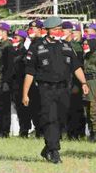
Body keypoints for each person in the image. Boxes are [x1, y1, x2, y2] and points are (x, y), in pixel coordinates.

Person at [22, 17, 89, 164]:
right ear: (47, 31)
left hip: (64, 89)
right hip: (45, 89)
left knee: (61, 119)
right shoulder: (36, 47)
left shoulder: (66, 46)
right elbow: (30, 72)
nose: (58, 32)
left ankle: (48, 149)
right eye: (55, 29)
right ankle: (54, 151)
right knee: (50, 118)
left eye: (60, 29)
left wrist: (83, 82)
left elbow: (76, 66)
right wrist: (25, 93)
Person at [0, 22, 14, 138]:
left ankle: (5, 131)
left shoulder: (8, 46)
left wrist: (6, 82)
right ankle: (1, 130)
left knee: (4, 107)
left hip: (3, 80)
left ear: (5, 32)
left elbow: (9, 66)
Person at [66, 23, 86, 140]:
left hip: (75, 81)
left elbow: (78, 66)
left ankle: (78, 132)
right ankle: (70, 132)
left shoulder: (76, 46)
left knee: (75, 107)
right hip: (66, 80)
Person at [11, 29, 31, 137]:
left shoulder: (25, 51)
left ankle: (25, 130)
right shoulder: (12, 50)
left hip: (22, 82)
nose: (14, 38)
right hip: (14, 83)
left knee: (24, 108)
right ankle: (21, 129)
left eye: (16, 37)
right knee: (18, 107)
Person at [26, 20, 44, 137]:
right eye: (30, 28)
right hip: (31, 80)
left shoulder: (42, 43)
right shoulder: (31, 43)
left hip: (40, 80)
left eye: (34, 28)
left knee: (41, 107)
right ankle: (38, 130)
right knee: (33, 107)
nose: (31, 31)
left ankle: (41, 131)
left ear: (40, 30)